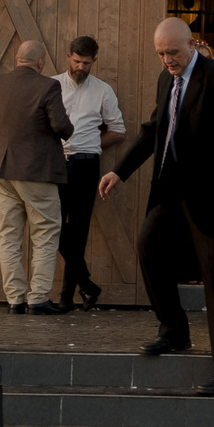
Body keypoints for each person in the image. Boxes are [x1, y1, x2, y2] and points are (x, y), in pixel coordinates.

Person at [100, 18, 214, 394]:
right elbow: (155, 130)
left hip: (213, 197)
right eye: (160, 53)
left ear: (192, 44)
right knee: (148, 247)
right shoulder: (165, 79)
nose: (167, 59)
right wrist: (120, 172)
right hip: (170, 189)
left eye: (172, 52)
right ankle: (173, 330)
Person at [0, 40, 76, 314]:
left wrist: (7, 129)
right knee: (45, 232)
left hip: (1, 172)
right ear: (40, 63)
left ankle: (14, 299)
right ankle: (38, 297)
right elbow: (62, 127)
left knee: (9, 235)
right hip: (37, 171)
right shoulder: (48, 86)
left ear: (17, 59)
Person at [52, 37, 126, 312]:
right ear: (68, 56)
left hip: (86, 164)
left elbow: (118, 130)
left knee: (79, 230)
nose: (81, 67)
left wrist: (92, 144)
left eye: (86, 62)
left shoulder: (103, 90)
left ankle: (65, 298)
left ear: (94, 60)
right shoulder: (52, 85)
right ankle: (87, 285)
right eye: (76, 61)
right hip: (55, 163)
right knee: (55, 227)